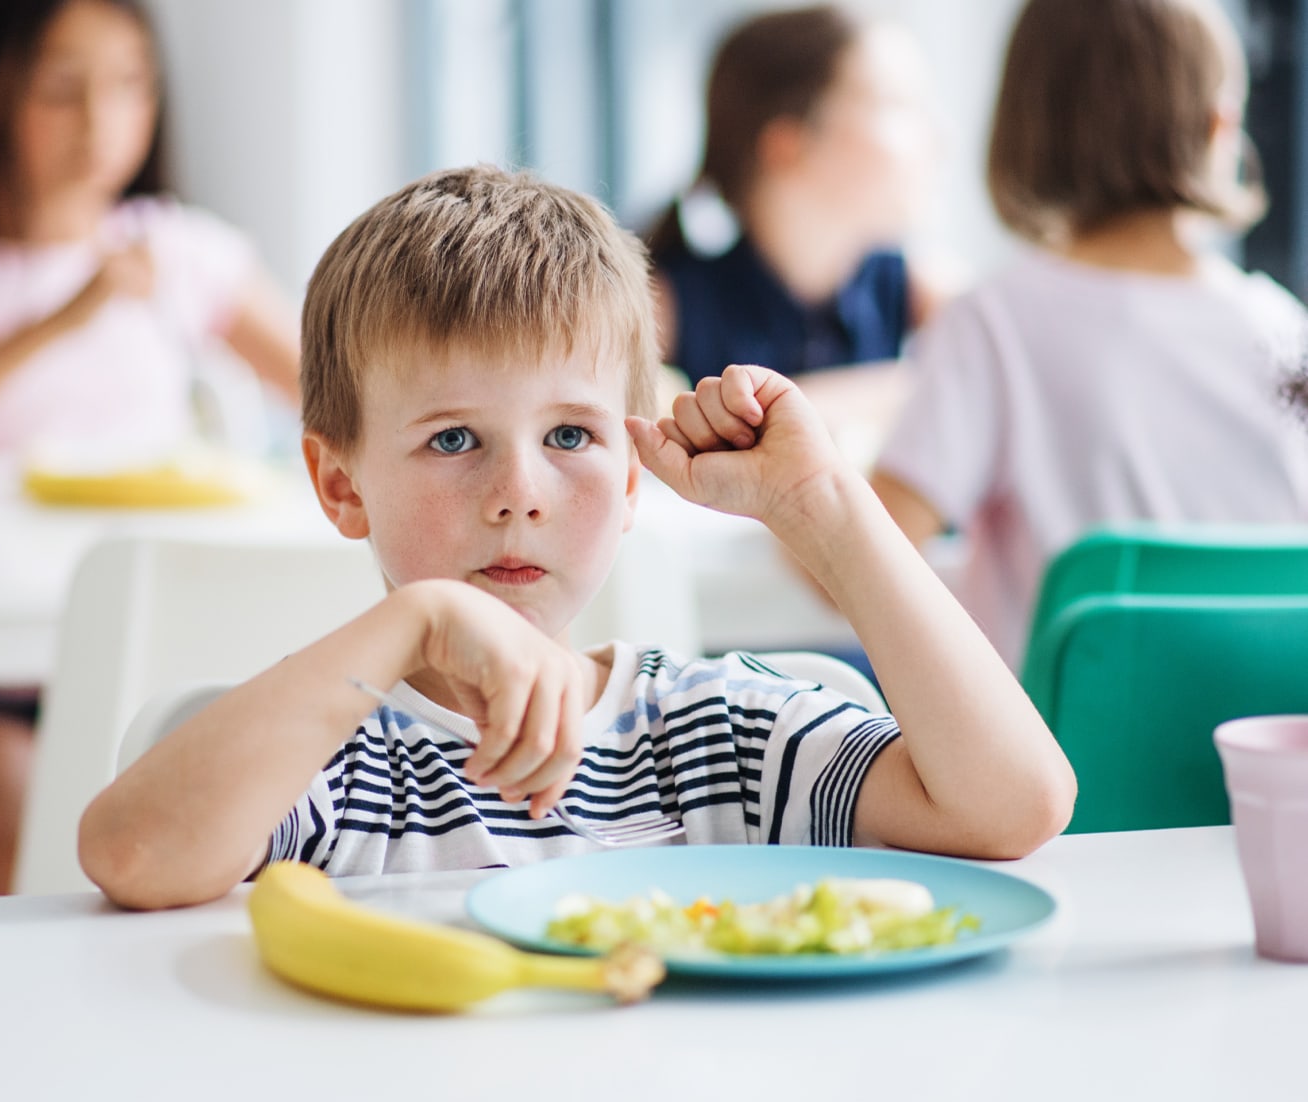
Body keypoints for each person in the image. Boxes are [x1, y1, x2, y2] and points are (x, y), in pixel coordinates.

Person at [77, 166, 1074, 911]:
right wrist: (418, 621)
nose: (518, 493)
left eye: (570, 436)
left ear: (633, 474)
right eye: (454, 439)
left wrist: (825, 510)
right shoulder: (320, 759)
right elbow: (133, 854)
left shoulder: (714, 740)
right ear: (343, 487)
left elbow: (1016, 804)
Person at [0, 0, 301, 896]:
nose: (100, 124)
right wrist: (69, 313)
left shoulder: (179, 253)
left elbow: (331, 391)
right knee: (9, 854)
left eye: (128, 88)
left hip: (158, 672)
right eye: (62, 89)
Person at [871, 0, 1308, 670]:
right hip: (1255, 759)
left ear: (1022, 128)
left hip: (1061, 765)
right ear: (1220, 127)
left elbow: (867, 555)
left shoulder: (994, 322)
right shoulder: (1284, 329)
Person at [647, 5, 954, 461]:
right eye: (895, 104)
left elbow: (997, 382)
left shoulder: (919, 288)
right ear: (787, 144)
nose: (938, 136)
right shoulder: (662, 305)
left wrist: (796, 408)